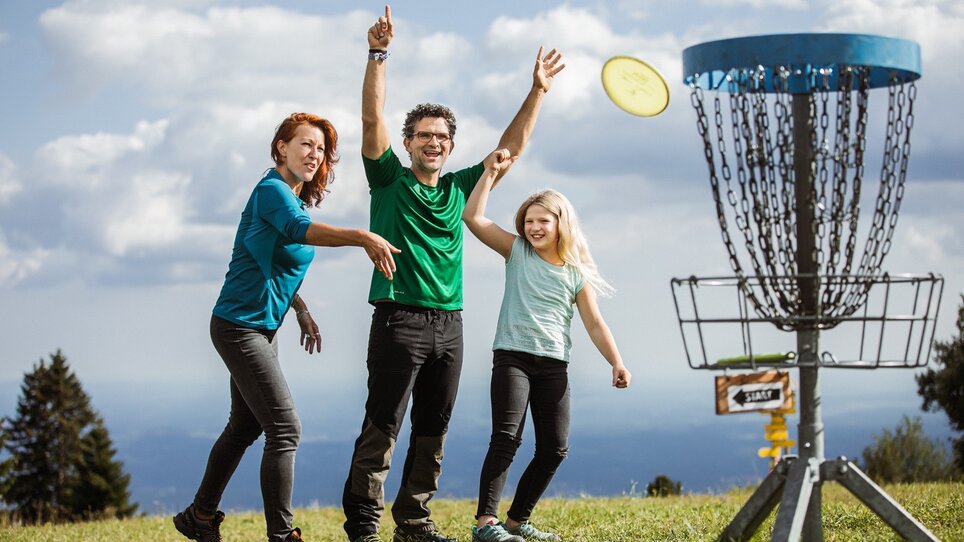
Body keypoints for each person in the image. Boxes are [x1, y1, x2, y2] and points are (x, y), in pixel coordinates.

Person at [342, 6, 566, 542]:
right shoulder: (388, 179)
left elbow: (508, 150)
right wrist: (378, 54)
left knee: (434, 428)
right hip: (399, 319)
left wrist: (537, 91)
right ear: (409, 143)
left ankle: (414, 522)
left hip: (451, 324)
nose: (433, 142)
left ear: (451, 144)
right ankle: (364, 527)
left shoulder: (460, 186)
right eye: (422, 135)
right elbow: (372, 122)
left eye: (441, 136)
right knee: (384, 425)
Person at [174, 112, 399, 542]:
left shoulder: (292, 198)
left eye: (321, 149)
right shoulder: (272, 191)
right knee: (285, 428)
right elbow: (298, 232)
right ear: (281, 147)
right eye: (305, 144)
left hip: (262, 327)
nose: (314, 154)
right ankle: (281, 535)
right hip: (238, 326)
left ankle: (199, 517)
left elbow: (267, 258)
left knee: (244, 426)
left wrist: (300, 307)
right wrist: (362, 236)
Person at [461, 150, 633, 542]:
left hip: (554, 364)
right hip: (513, 359)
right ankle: (486, 525)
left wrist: (616, 362)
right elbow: (474, 218)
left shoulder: (576, 272)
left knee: (554, 449)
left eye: (543, 220)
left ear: (561, 223)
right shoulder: (517, 252)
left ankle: (517, 522)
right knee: (506, 438)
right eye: (529, 220)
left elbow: (594, 322)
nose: (534, 227)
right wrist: (488, 174)